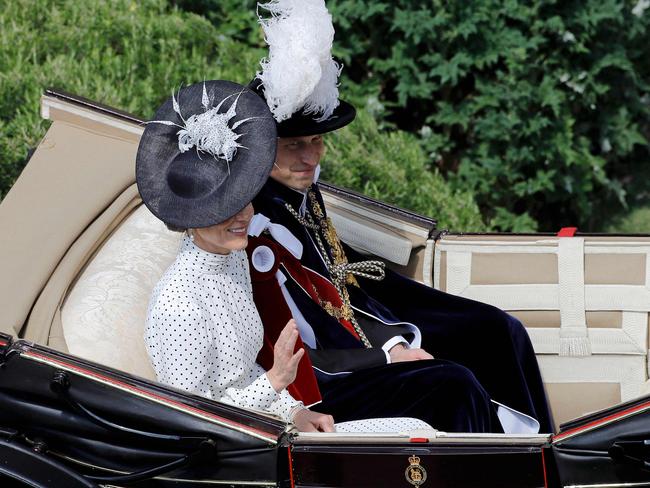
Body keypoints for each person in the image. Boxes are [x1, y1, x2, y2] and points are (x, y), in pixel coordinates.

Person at [245, 0, 552, 433]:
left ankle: (542, 457)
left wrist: (391, 335)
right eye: (294, 144)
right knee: (453, 382)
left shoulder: (297, 190)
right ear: (263, 145)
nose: (310, 157)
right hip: (325, 372)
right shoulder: (254, 220)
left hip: (360, 324)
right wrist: (389, 350)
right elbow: (307, 329)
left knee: (497, 330)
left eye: (316, 141)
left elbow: (340, 277)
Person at [137, 80, 431, 434]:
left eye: (245, 198)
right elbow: (192, 416)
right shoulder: (180, 302)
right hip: (235, 451)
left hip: (267, 424)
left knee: (416, 429)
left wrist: (294, 411)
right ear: (190, 220)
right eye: (226, 208)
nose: (245, 214)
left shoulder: (232, 261)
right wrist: (276, 382)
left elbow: (247, 374)